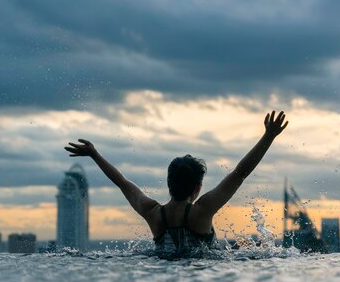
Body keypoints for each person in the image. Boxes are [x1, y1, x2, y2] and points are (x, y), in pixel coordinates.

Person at [65, 110, 288, 257]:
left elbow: (122, 182)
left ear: (169, 185)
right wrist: (269, 136)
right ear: (197, 188)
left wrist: (95, 154)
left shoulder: (153, 213)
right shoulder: (201, 211)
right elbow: (240, 174)